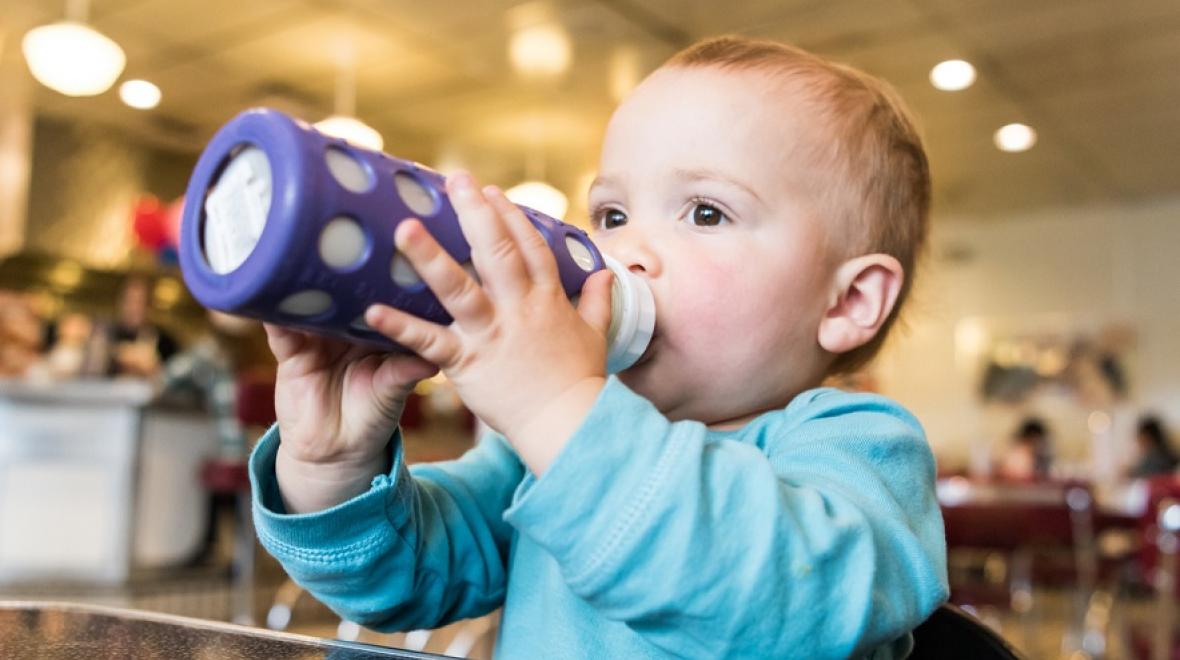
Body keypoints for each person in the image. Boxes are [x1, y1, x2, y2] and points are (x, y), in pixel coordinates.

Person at [250, 36, 948, 658]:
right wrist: (330, 465)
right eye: (612, 214)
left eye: (706, 211)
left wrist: (557, 406)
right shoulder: (540, 450)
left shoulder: (855, 445)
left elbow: (793, 607)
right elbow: (404, 578)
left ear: (848, 302)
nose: (621, 252)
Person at [105, 276, 179, 378]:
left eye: (139, 302)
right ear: (120, 304)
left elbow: (175, 375)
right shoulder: (108, 335)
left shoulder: (165, 341)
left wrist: (155, 368)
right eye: (129, 302)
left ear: (149, 307)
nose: (133, 308)